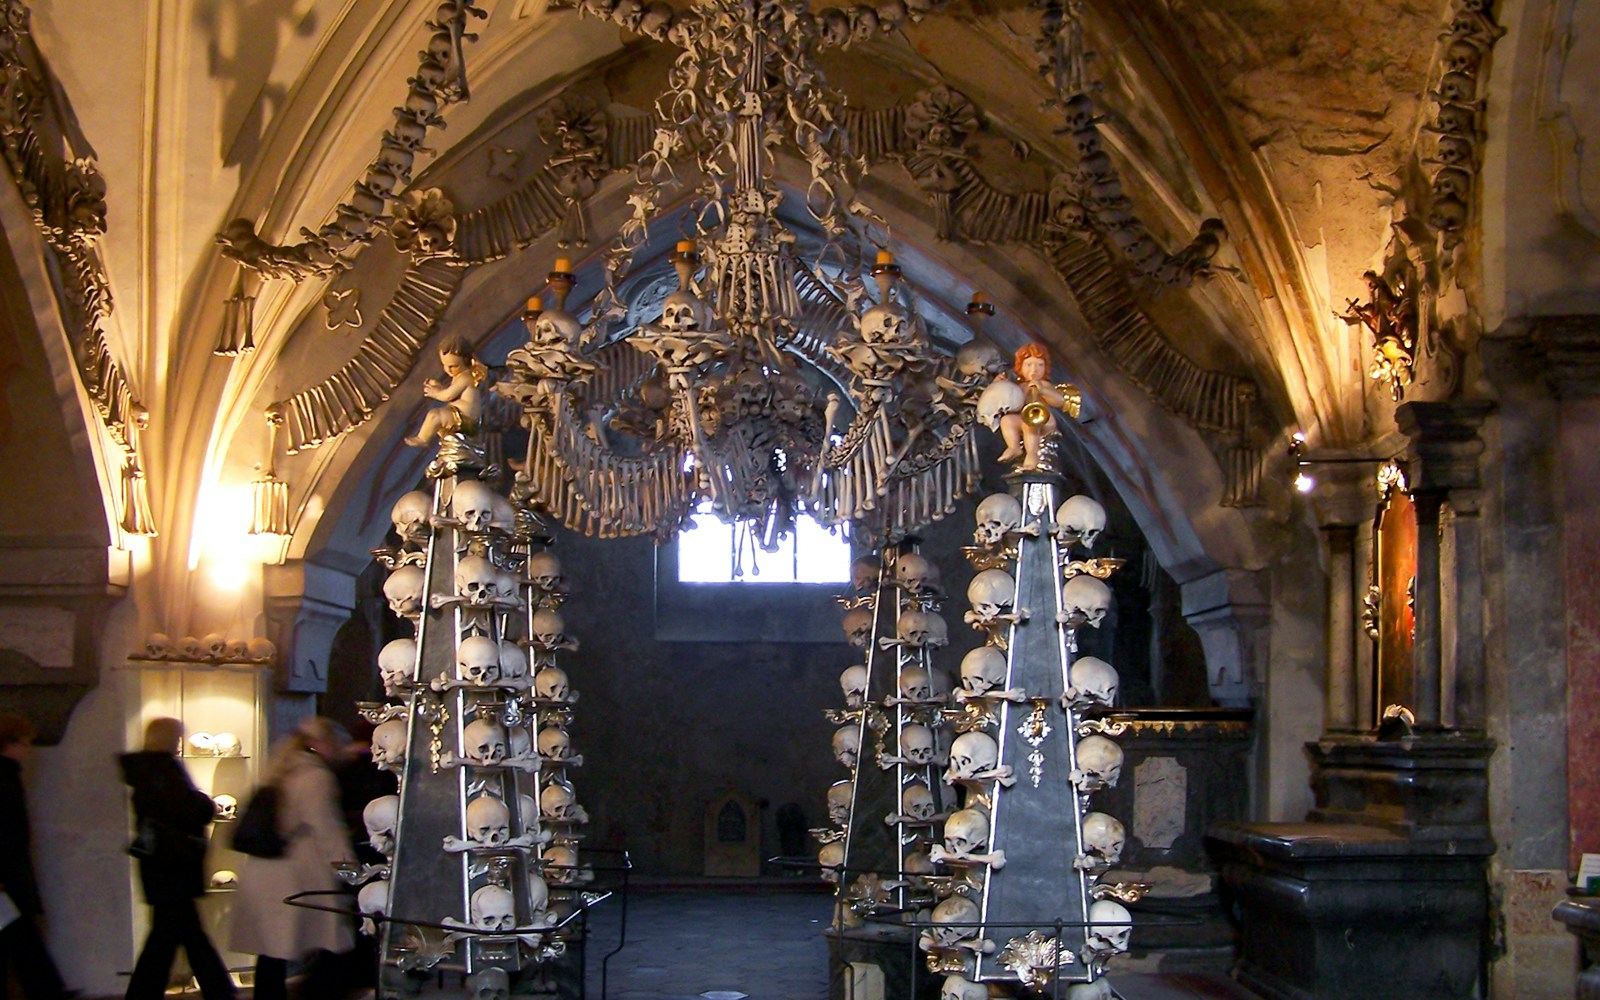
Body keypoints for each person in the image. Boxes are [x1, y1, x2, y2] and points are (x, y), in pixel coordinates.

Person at [229, 718, 354, 1000]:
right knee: (333, 942)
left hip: (265, 871)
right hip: (298, 874)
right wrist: (348, 868)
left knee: (272, 952)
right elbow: (326, 828)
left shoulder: (277, 769)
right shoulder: (315, 777)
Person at [120, 717, 236, 999]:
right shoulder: (163, 770)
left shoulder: (145, 771)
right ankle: (218, 991)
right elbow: (186, 808)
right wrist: (206, 804)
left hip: (161, 865)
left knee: (171, 936)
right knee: (179, 936)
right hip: (174, 865)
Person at [0, 713, 74, 999]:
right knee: (21, 938)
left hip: (11, 878)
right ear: (10, 743)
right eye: (25, 743)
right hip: (8, 879)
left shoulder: (8, 777)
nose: (28, 750)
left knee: (20, 939)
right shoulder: (4, 779)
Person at [403, 336, 488, 447]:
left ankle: (422, 439)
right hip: (457, 416)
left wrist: (434, 393)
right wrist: (439, 387)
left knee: (435, 415)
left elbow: (448, 396)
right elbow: (453, 394)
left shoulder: (465, 377)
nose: (448, 370)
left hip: (465, 419)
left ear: (467, 361)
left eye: (453, 366)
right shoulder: (459, 376)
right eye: (445, 365)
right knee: (438, 423)